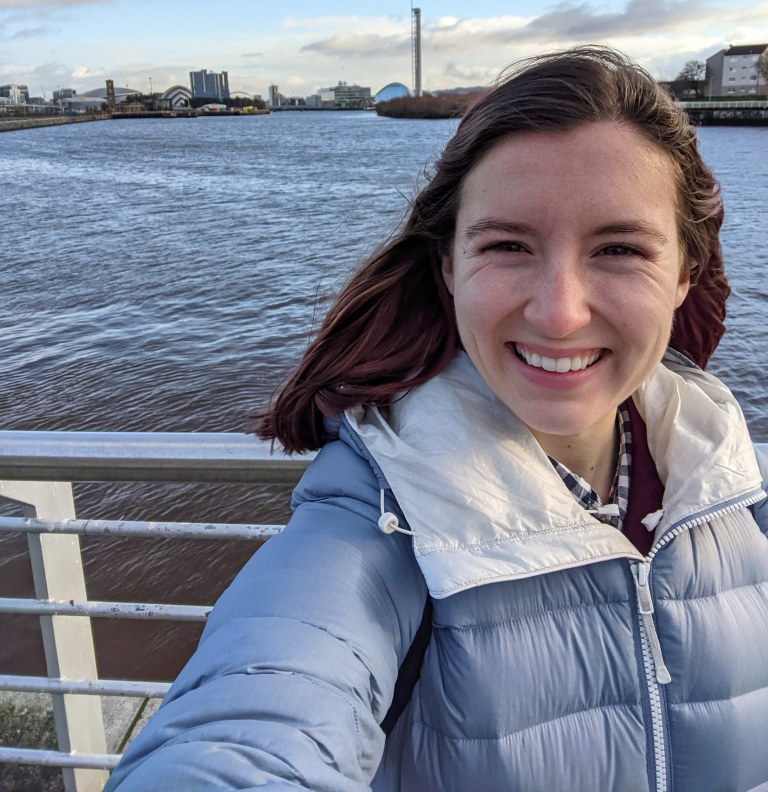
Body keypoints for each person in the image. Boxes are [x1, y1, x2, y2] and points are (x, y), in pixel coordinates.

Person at [106, 47, 768, 792]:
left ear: (685, 272)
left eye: (619, 249)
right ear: (449, 266)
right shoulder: (380, 512)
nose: (559, 313)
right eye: (508, 245)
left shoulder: (733, 475)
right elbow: (259, 709)